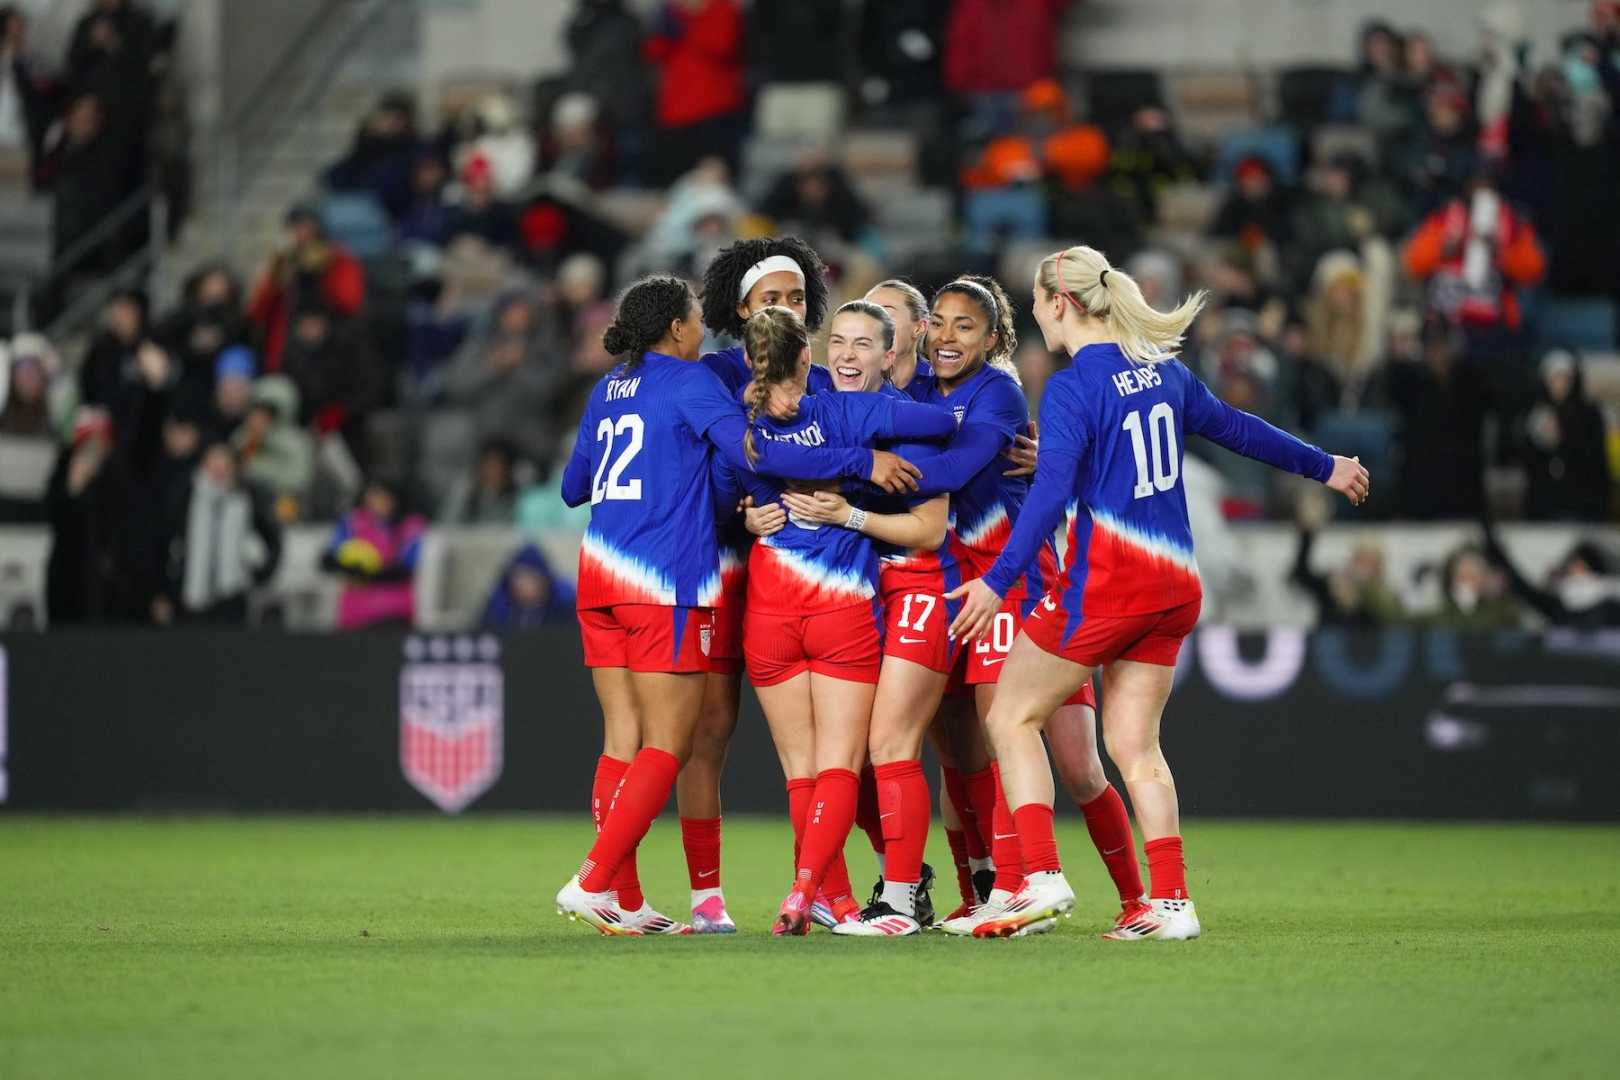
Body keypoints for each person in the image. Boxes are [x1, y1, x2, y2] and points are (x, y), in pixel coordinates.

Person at [947, 244, 1368, 940]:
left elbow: (1048, 497)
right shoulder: (1161, 372)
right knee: (1135, 746)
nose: (1036, 320)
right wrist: (1326, 466)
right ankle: (1171, 904)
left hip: (1110, 586)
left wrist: (995, 583)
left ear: (1061, 304)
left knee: (1011, 716)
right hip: (1174, 587)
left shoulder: (1073, 386)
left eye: (1036, 306)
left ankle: (1040, 880)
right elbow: (1238, 431)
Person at [552, 275, 923, 937]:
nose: (704, 329)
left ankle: (625, 898)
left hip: (598, 575)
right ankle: (593, 879)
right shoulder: (692, 381)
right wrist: (845, 461)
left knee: (621, 742)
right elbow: (752, 450)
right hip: (664, 581)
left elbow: (574, 486)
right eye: (696, 319)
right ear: (675, 329)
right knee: (670, 745)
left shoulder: (607, 387)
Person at [716, 306, 956, 936]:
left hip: (768, 610)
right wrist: (862, 462)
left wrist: (752, 511)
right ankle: (802, 892)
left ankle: (838, 902)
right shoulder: (845, 414)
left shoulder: (738, 430)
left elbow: (726, 489)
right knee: (841, 767)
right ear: (808, 361)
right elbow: (937, 420)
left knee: (799, 770)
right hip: (839, 607)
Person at [663, 236, 839, 932]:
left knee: (825, 745)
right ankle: (707, 899)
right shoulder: (705, 379)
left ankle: (822, 887)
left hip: (807, 579)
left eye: (798, 298)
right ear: (741, 308)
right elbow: (689, 476)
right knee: (710, 731)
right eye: (774, 298)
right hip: (721, 569)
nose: (788, 309)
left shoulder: (824, 380)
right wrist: (739, 506)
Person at [150, 441, 281, 625]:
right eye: (213, 465)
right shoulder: (184, 496)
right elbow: (163, 544)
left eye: (225, 465)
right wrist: (162, 591)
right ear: (204, 466)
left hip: (233, 598)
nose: (219, 471)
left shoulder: (246, 498)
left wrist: (259, 574)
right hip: (188, 598)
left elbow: (272, 539)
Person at [321, 479, 426, 631]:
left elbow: (406, 568)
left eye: (384, 496)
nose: (378, 502)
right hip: (354, 614)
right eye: (373, 495)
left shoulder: (411, 526)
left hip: (394, 612)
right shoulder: (352, 523)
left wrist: (368, 572)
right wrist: (348, 566)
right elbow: (327, 560)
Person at [480, 543, 575, 629]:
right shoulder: (498, 608)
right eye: (519, 577)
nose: (524, 585)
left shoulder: (562, 607)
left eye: (532, 578)